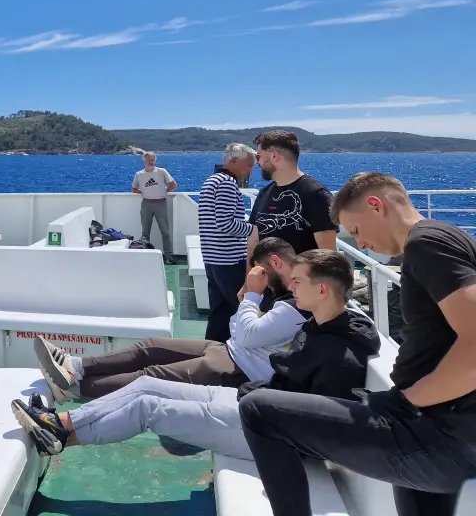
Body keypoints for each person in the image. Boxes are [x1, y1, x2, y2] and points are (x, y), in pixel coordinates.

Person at [239, 172, 476, 516]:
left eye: (358, 231)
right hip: (445, 428)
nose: (361, 245)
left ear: (376, 206)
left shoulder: (427, 244)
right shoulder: (450, 236)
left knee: (259, 410)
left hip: (434, 435)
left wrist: (405, 402)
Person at [11, 249, 379, 461]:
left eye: (298, 283)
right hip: (252, 402)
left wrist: (256, 402)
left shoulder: (339, 350)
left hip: (273, 432)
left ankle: (60, 433)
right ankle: (61, 424)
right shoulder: (320, 325)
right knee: (147, 384)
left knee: (147, 408)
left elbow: (318, 417)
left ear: (324, 289)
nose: (291, 290)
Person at [35, 237, 306, 400]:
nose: (261, 279)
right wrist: (250, 301)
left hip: (241, 368)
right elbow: (238, 330)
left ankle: (75, 389)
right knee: (152, 346)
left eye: (262, 271)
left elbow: (247, 334)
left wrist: (251, 298)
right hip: (232, 350)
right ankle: (77, 366)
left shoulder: (297, 301)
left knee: (151, 376)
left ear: (275, 262)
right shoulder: (278, 292)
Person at [248, 130, 337, 261]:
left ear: (274, 156)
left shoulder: (316, 194)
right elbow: (253, 244)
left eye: (258, 156)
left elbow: (328, 256)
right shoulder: (264, 194)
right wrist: (248, 280)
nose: (257, 163)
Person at [199, 142, 258, 342]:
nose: (250, 170)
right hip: (228, 260)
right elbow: (225, 224)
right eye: (249, 165)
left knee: (219, 312)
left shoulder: (212, 180)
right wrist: (255, 229)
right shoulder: (226, 183)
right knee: (242, 308)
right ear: (233, 160)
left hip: (212, 258)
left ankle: (210, 350)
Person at [132, 152, 178, 263]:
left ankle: (169, 256)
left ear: (155, 160)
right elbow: (134, 189)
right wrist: (145, 193)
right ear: (144, 161)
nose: (150, 162)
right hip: (146, 204)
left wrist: (165, 191)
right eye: (148, 159)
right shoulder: (139, 174)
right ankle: (145, 255)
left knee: (165, 232)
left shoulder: (162, 172)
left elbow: (173, 185)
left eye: (152, 159)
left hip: (160, 204)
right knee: (145, 232)